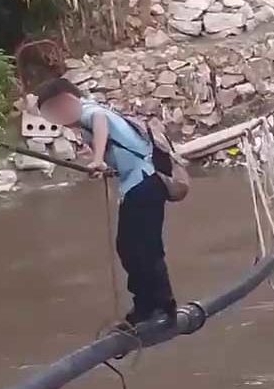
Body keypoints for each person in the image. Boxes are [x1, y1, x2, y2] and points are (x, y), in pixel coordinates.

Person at [36, 77, 177, 327]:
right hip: (137, 185)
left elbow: (100, 123)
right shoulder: (88, 119)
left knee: (143, 248)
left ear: (69, 101)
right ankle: (148, 305)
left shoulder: (92, 112)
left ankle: (161, 307)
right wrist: (101, 163)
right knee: (131, 249)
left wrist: (98, 158)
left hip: (144, 183)